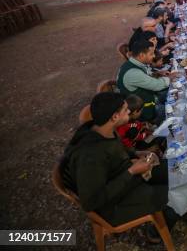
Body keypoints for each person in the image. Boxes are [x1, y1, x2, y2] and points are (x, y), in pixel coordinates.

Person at [61, 92, 178, 241]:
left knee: (175, 169)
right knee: (178, 192)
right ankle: (155, 233)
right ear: (115, 117)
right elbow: (91, 201)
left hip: (126, 177)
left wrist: (135, 153)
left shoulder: (101, 128)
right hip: (115, 204)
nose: (129, 111)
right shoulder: (90, 156)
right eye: (125, 110)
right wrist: (131, 171)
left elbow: (118, 148)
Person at [117, 40, 171, 124]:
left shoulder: (133, 63)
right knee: (175, 108)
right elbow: (157, 85)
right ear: (142, 55)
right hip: (146, 112)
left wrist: (157, 73)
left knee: (174, 92)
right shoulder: (133, 73)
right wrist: (171, 78)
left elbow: (145, 75)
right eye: (151, 54)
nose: (153, 56)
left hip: (151, 99)